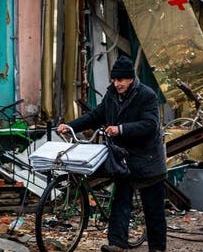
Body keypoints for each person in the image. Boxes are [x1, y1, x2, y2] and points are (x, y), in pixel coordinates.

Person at [57, 55, 167, 252]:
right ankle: (117, 244)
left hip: (148, 160)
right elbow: (95, 116)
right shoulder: (112, 95)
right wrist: (69, 126)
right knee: (121, 202)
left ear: (131, 79)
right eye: (114, 80)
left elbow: (151, 125)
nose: (117, 84)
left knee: (153, 209)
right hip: (123, 159)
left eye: (121, 80)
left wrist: (121, 129)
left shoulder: (147, 95)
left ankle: (157, 249)